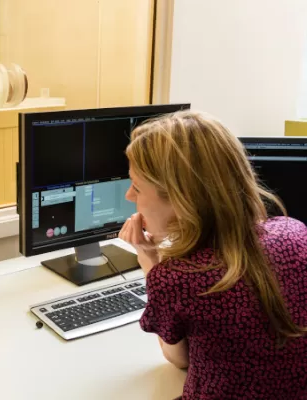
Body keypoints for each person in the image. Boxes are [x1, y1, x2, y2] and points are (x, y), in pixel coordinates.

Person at [118, 110, 307, 399]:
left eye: (137, 187)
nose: (129, 197)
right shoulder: (296, 234)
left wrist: (150, 264)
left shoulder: (178, 279)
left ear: (181, 199)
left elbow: (179, 360)